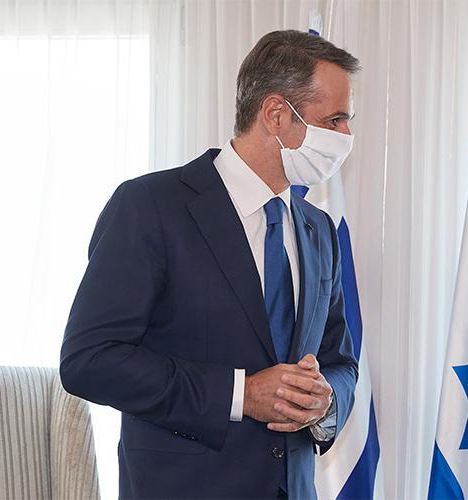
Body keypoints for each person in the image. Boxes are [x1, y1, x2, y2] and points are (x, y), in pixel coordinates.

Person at [60, 30, 359, 499]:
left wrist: (324, 401)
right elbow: (89, 360)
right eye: (334, 120)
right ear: (276, 114)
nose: (346, 137)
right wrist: (242, 394)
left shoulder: (318, 228)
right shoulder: (149, 207)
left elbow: (339, 361)